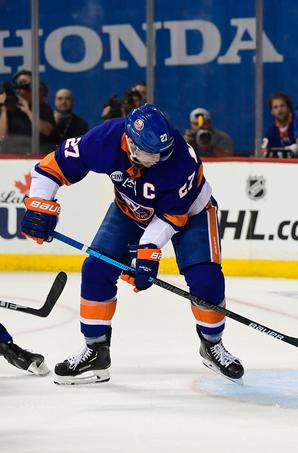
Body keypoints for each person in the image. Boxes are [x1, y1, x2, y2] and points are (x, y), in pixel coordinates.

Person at [19, 104, 244, 385]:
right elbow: (51, 167)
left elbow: (173, 216)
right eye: (151, 154)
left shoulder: (181, 160)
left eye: (162, 152)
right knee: (96, 270)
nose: (159, 159)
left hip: (192, 214)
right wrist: (40, 204)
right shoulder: (105, 140)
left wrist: (147, 250)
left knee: (205, 277)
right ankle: (95, 351)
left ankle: (212, 344)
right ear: (130, 143)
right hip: (130, 211)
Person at [0, 70, 55, 154]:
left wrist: (28, 111)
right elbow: (2, 137)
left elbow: (47, 131)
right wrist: (4, 108)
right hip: (12, 154)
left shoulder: (42, 107)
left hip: (37, 153)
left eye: (31, 84)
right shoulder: (9, 107)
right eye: (23, 83)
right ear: (16, 87)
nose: (27, 87)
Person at [261, 92, 298, 157]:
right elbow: (264, 152)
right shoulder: (271, 131)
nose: (279, 110)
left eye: (282, 106)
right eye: (275, 107)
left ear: (288, 107)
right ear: (272, 112)